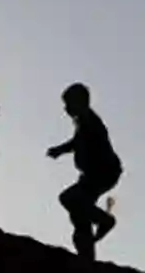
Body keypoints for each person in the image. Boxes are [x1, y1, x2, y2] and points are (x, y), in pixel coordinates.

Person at [47, 83, 122, 261]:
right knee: (78, 212)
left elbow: (81, 142)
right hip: (94, 175)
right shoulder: (83, 121)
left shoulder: (90, 121)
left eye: (68, 104)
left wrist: (61, 150)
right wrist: (60, 150)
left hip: (102, 173)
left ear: (80, 102)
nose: (66, 109)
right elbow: (76, 142)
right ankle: (87, 253)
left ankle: (104, 220)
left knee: (70, 199)